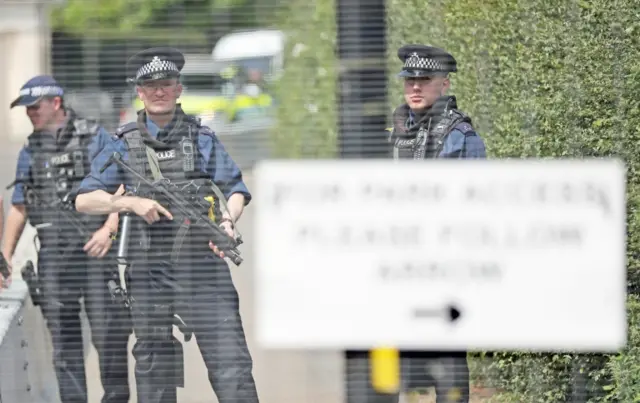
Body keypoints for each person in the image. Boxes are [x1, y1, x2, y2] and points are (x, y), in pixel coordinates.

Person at [74, 47, 259, 403]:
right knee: (155, 370)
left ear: (178, 89)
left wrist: (227, 221)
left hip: (203, 267)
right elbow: (84, 199)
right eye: (149, 85)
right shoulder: (122, 145)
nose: (158, 91)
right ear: (138, 92)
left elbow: (236, 189)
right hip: (149, 272)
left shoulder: (203, 139)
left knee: (232, 365)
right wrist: (130, 202)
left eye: (166, 83)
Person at [1, 75, 131, 403]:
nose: (30, 113)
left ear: (55, 103)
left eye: (35, 106)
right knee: (65, 346)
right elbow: (19, 207)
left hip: (97, 253)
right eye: (26, 108)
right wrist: (4, 256)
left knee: (110, 339)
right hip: (55, 260)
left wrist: (108, 229)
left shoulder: (95, 137)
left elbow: (122, 188)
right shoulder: (30, 150)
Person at [389, 45, 486, 402]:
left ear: (443, 84)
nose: (415, 87)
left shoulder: (459, 135)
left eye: (424, 81)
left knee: (446, 360)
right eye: (409, 80)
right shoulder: (395, 132)